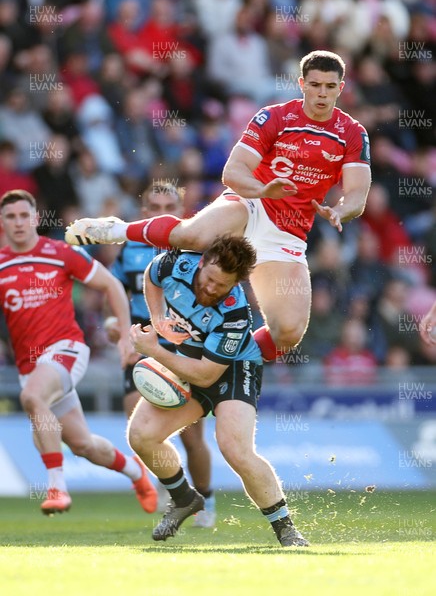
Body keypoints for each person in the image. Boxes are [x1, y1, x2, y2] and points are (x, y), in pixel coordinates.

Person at [65, 50, 371, 362]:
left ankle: (223, 366)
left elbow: (358, 193)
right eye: (315, 85)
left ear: (341, 88)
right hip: (251, 203)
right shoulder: (275, 117)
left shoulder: (352, 133)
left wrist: (341, 210)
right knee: (193, 236)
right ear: (301, 83)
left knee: (288, 333)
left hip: (288, 233)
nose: (322, 93)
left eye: (330, 87)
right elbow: (232, 172)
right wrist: (264, 189)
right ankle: (118, 229)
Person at [127, 235, 309, 547]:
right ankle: (184, 498)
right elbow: (151, 277)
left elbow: (206, 374)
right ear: (202, 262)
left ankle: (286, 528)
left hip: (234, 369)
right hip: (191, 358)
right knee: (141, 435)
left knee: (234, 448)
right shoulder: (175, 263)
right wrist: (157, 318)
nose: (211, 289)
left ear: (236, 285)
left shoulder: (235, 316)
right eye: (209, 279)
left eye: (221, 286)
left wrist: (154, 350)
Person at [0, 189, 157, 515]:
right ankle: (136, 472)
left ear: (36, 218)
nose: (18, 222)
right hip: (30, 365)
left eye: (23, 215)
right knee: (83, 445)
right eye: (10, 216)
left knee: (31, 397)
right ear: (2, 222)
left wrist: (126, 337)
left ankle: (57, 486)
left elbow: (111, 286)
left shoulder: (60, 253)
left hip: (66, 349)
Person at [106, 181, 216, 527]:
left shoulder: (198, 249)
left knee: (191, 434)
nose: (162, 214)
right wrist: (114, 322)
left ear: (183, 213)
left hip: (184, 344)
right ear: (144, 214)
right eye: (155, 208)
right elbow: (115, 290)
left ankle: (206, 500)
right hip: (143, 341)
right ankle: (176, 488)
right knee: (136, 422)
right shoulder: (130, 249)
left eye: (170, 207)